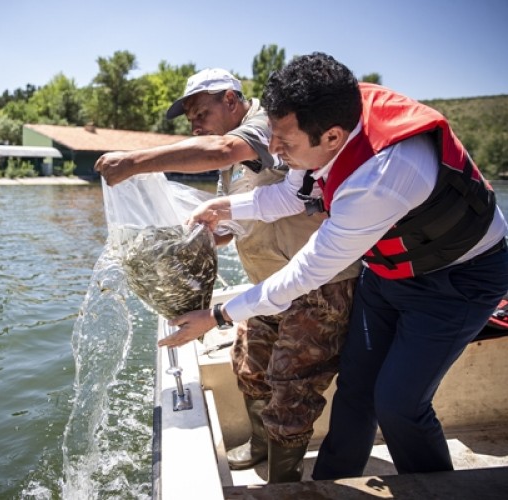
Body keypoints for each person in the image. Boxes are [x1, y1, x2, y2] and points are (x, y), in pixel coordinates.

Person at [160, 53, 508, 479]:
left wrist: (216, 315)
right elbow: (293, 195)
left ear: (332, 137)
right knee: (356, 389)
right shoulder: (324, 114)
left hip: (457, 281)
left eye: (284, 143)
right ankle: (330, 482)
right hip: (386, 274)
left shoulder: (378, 179)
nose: (273, 149)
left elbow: (306, 273)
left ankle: (436, 488)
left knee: (398, 404)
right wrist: (225, 204)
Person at [95, 68, 360, 483]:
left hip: (318, 287)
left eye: (201, 112)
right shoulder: (237, 156)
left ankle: (282, 483)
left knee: (292, 391)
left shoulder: (263, 126)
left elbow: (218, 149)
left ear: (230, 100)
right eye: (191, 120)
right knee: (249, 369)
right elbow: (251, 210)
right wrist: (212, 235)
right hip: (268, 286)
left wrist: (134, 162)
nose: (196, 125)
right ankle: (259, 448)